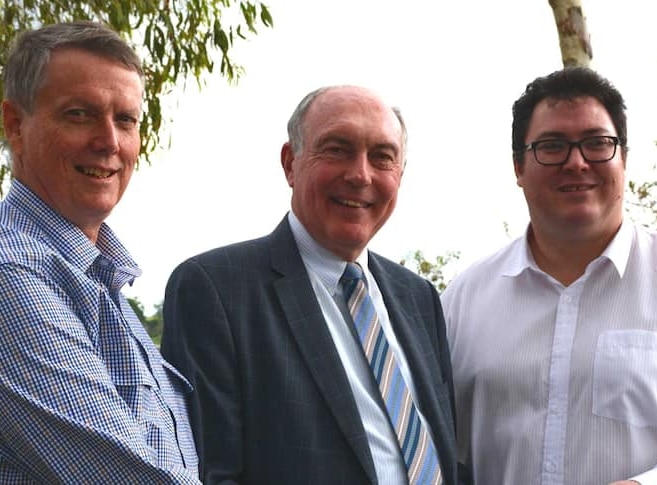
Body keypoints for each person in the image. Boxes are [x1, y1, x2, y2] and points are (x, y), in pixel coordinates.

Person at [441, 66, 657, 485]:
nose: (576, 163)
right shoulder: (463, 300)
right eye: (552, 146)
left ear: (623, 159)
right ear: (519, 168)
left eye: (597, 143)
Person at [161, 85, 459, 484]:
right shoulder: (215, 289)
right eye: (337, 149)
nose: (360, 174)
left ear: (400, 174)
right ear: (290, 163)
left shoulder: (418, 298)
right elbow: (211, 473)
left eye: (382, 157)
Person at [0, 21, 200, 483]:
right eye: (79, 114)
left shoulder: (92, 276)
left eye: (126, 120)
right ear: (15, 124)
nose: (110, 141)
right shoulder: (12, 274)